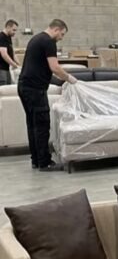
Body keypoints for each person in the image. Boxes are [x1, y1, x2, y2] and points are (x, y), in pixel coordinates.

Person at [18, 19, 77, 172]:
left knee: (33, 124)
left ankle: (36, 160)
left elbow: (41, 68)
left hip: (24, 87)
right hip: (35, 90)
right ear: (56, 29)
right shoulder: (49, 42)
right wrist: (70, 79)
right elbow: (55, 67)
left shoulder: (36, 39)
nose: (61, 38)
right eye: (62, 34)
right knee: (42, 125)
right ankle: (45, 163)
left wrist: (58, 81)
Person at [0, 19, 21, 86]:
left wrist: (19, 64)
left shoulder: (8, 37)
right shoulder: (2, 37)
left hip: (6, 68)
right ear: (8, 27)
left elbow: (12, 52)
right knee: (3, 87)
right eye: (13, 30)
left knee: (9, 85)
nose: (15, 32)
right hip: (1, 69)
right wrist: (14, 65)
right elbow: (4, 54)